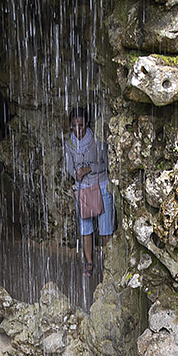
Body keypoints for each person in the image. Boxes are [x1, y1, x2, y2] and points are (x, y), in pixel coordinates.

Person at [63, 106, 113, 276]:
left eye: (81, 126)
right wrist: (76, 174)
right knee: (86, 229)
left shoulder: (97, 141)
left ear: (87, 124)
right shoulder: (69, 144)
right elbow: (69, 167)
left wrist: (89, 169)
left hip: (101, 186)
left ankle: (109, 265)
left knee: (105, 229)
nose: (78, 130)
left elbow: (107, 164)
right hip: (83, 189)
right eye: (75, 126)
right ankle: (89, 263)